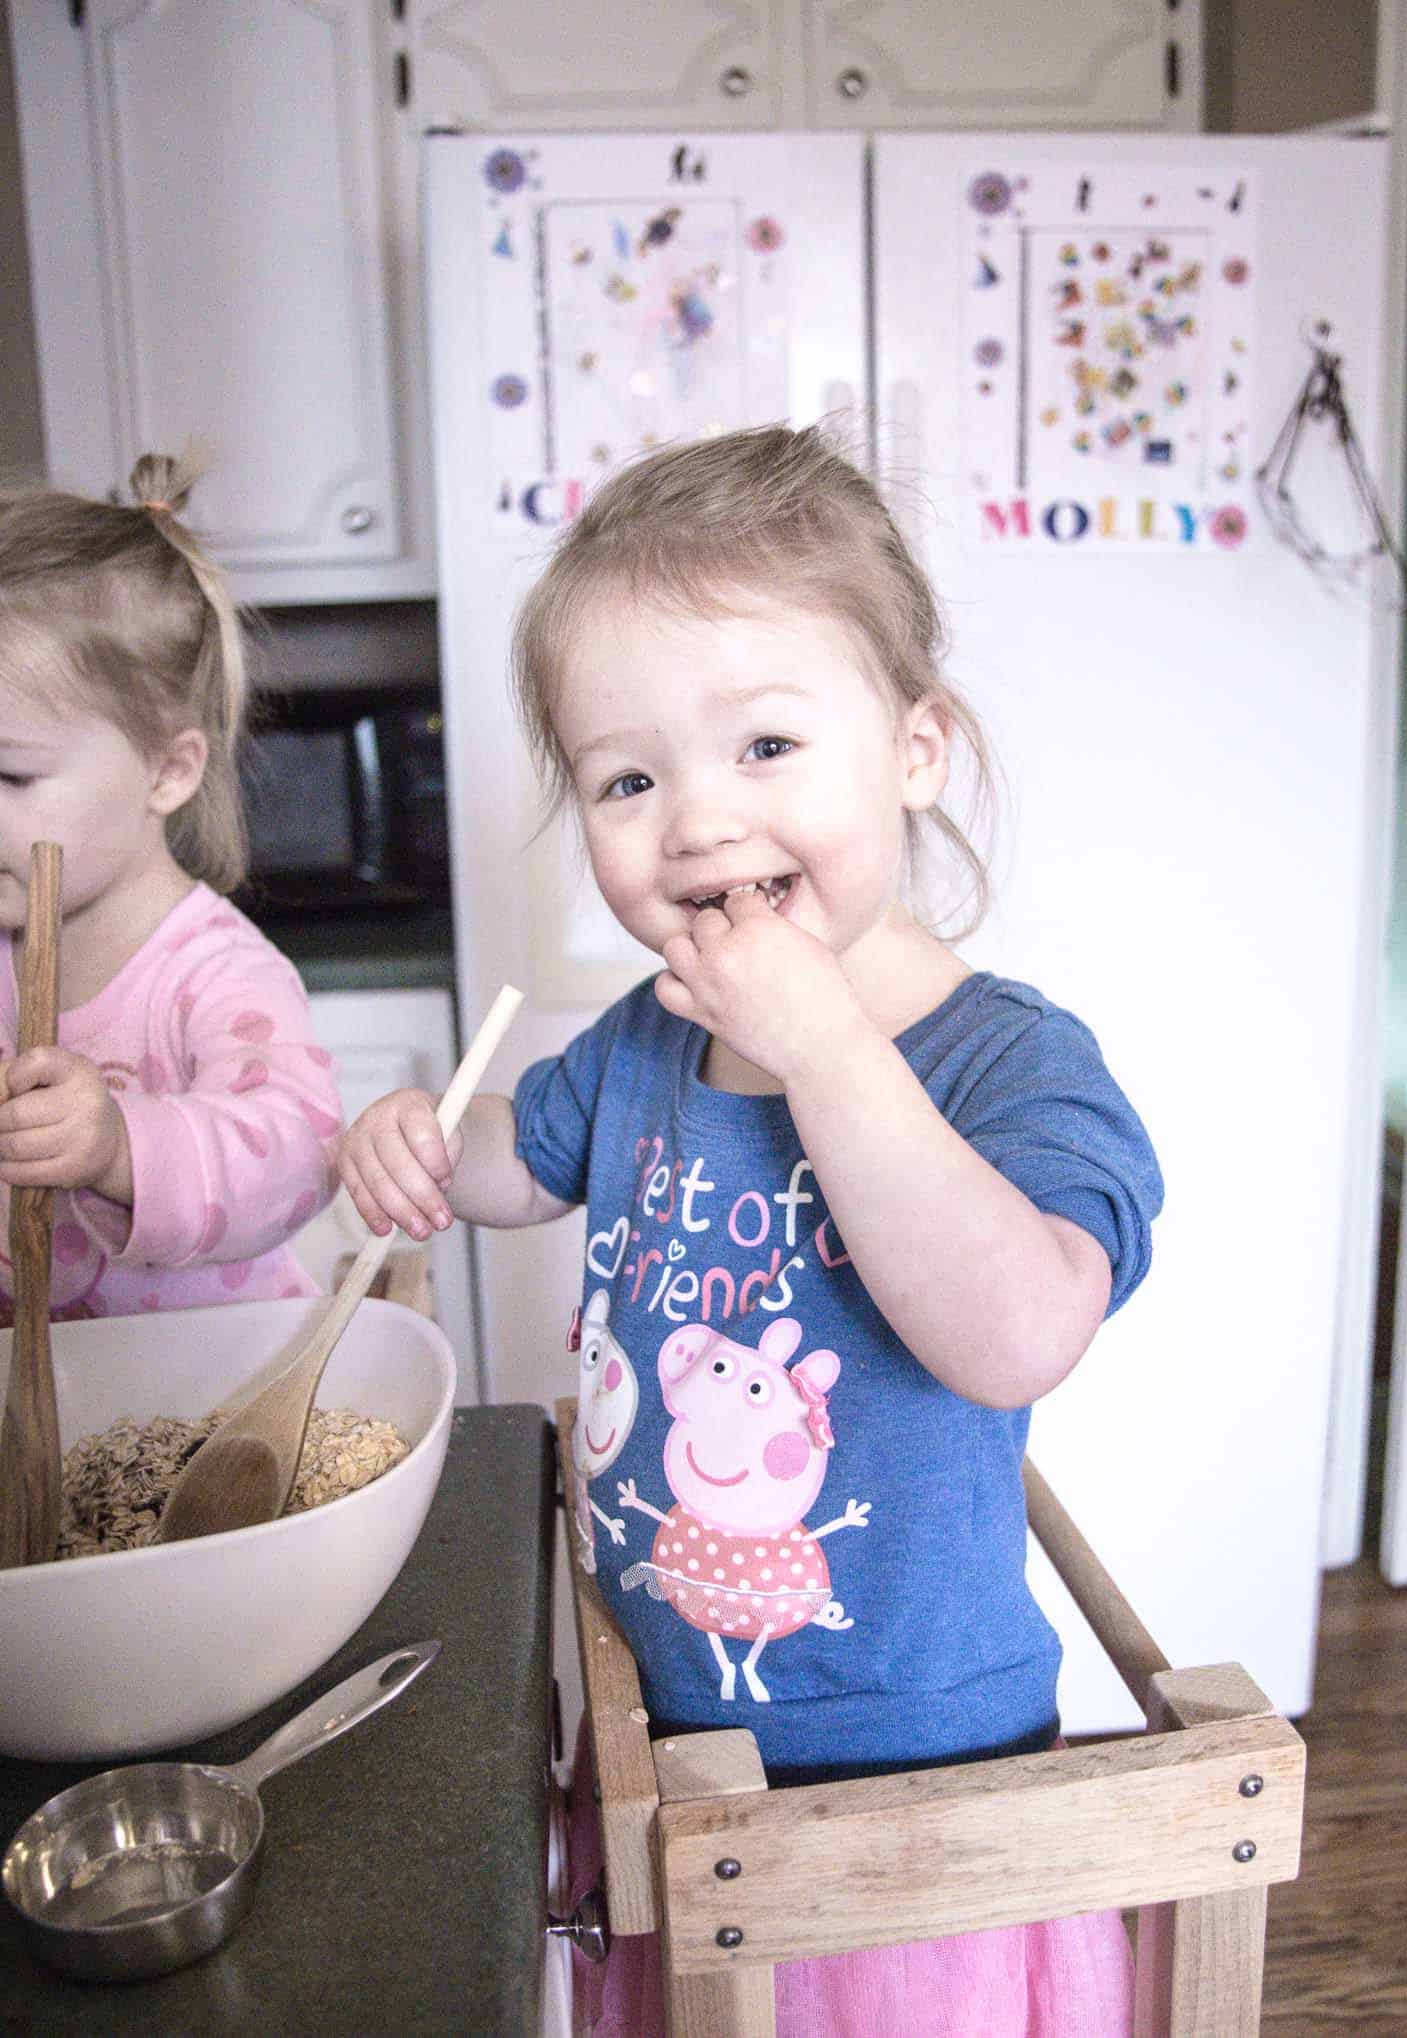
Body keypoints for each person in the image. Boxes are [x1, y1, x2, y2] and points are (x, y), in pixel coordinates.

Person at [340, 423, 1164, 2034]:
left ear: (915, 747)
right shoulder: (650, 1038)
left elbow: (1016, 1333)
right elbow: (531, 1159)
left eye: (766, 746)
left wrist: (831, 1047)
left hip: (906, 1785)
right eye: (630, 779)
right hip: (681, 1746)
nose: (698, 823)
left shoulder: (1008, 1058)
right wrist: (436, 1141)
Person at [0, 456, 342, 1323]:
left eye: (8, 774)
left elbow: (297, 1157)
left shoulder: (219, 975)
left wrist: (119, 1146)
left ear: (168, 771)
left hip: (216, 1392)